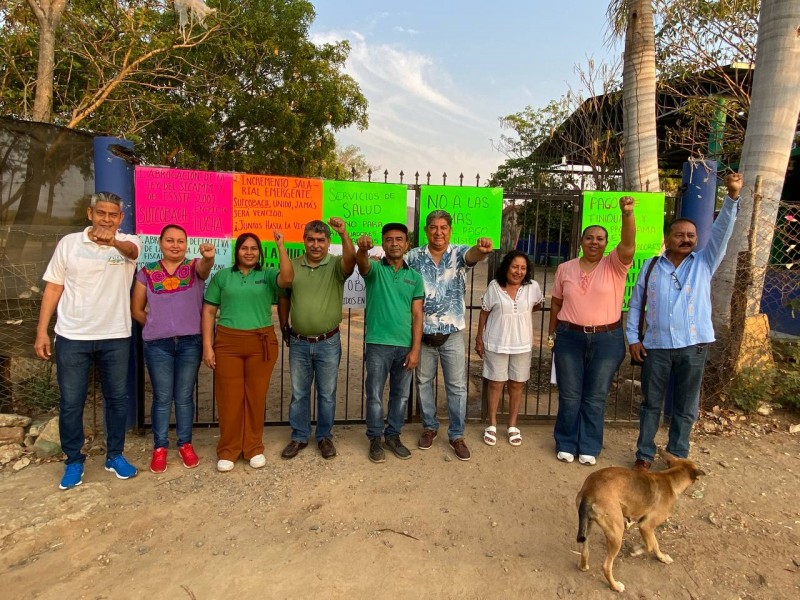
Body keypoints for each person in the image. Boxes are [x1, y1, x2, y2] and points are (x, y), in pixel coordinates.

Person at [629, 173, 743, 471]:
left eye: (691, 235)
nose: (686, 239)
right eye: (679, 235)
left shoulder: (704, 263)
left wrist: (731, 198)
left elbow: (722, 234)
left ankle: (677, 457)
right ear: (667, 238)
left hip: (694, 348)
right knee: (651, 404)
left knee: (684, 408)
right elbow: (635, 304)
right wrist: (632, 338)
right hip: (656, 347)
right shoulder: (651, 266)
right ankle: (644, 454)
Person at [34, 192, 142, 490]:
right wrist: (42, 330)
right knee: (71, 402)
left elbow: (132, 252)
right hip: (72, 337)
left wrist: (113, 242)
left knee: (117, 399)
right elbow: (53, 288)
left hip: (116, 336)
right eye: (101, 213)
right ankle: (73, 460)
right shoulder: (69, 244)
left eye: (113, 214)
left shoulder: (128, 242)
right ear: (90, 213)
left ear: (121, 218)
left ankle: (115, 455)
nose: (107, 219)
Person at [549, 197, 636, 466]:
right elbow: (556, 302)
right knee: (570, 394)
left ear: (607, 243)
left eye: (600, 238)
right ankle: (566, 442)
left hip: (606, 340)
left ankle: (588, 445)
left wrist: (627, 214)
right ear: (581, 242)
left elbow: (629, 242)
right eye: (589, 238)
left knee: (595, 396)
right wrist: (553, 334)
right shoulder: (565, 268)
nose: (594, 242)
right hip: (569, 338)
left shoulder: (616, 265)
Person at [201, 231, 293, 472]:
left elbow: (288, 278)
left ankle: (253, 447)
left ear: (260, 253)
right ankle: (228, 449)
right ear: (237, 251)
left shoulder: (268, 275)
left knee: (255, 396)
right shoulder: (222, 277)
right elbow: (209, 312)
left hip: (260, 343)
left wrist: (281, 247)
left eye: (254, 248)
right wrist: (208, 347)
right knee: (229, 398)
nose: (249, 252)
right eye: (244, 248)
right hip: (227, 343)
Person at [406, 210, 493, 461]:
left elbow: (473, 255)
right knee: (423, 383)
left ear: (450, 230)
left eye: (443, 227)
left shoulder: (458, 253)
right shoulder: (414, 256)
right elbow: (394, 268)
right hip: (423, 333)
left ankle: (457, 434)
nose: (438, 232)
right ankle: (430, 427)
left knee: (456, 387)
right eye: (433, 227)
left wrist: (482, 248)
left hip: (452, 334)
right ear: (425, 230)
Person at [131, 225, 215, 474]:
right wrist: (157, 326)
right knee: (162, 397)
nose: (175, 245)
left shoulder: (194, 267)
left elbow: (205, 268)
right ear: (160, 243)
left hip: (190, 343)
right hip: (158, 345)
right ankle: (160, 448)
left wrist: (208, 258)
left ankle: (185, 444)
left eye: (180, 241)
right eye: (170, 240)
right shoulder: (147, 272)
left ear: (187, 244)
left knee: (184, 396)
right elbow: (136, 309)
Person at [278, 218, 355, 460]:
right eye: (311, 239)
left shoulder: (335, 265)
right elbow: (284, 293)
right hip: (299, 342)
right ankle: (299, 436)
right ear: (304, 240)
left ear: (328, 242)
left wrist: (344, 234)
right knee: (299, 392)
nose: (315, 245)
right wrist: (283, 326)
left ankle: (324, 437)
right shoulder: (293, 265)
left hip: (328, 343)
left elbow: (351, 263)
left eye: (321, 240)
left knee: (327, 393)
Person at [355, 224, 424, 463]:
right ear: (383, 244)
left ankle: (393, 435)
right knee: (374, 394)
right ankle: (375, 438)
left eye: (399, 239)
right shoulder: (375, 269)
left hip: (404, 347)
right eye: (389, 239)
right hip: (377, 344)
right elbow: (362, 265)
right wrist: (362, 250)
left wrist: (415, 349)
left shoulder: (414, 277)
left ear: (406, 245)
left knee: (401, 396)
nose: (394, 243)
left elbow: (417, 315)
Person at [475, 250, 543, 447]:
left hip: (522, 344)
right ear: (506, 267)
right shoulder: (494, 287)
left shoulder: (533, 287)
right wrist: (479, 338)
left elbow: (537, 305)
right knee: (496, 383)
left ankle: (512, 425)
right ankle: (492, 424)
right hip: (497, 342)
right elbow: (484, 312)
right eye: (515, 267)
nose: (519, 271)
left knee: (517, 384)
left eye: (523, 268)